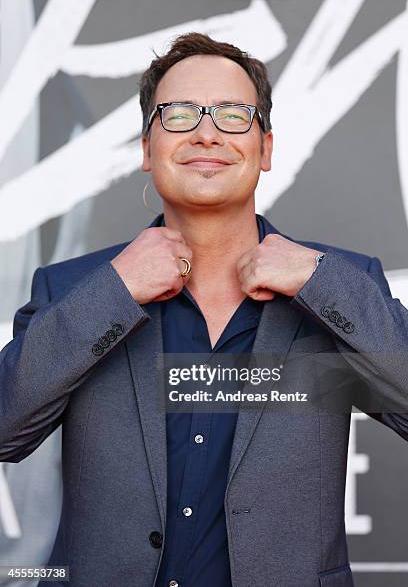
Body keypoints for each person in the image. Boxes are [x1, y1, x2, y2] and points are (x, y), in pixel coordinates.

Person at [0, 32, 407, 587]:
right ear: (147, 149)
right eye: (181, 113)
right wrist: (116, 291)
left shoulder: (339, 290)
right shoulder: (75, 290)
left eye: (234, 114)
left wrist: (319, 282)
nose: (208, 132)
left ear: (265, 148)